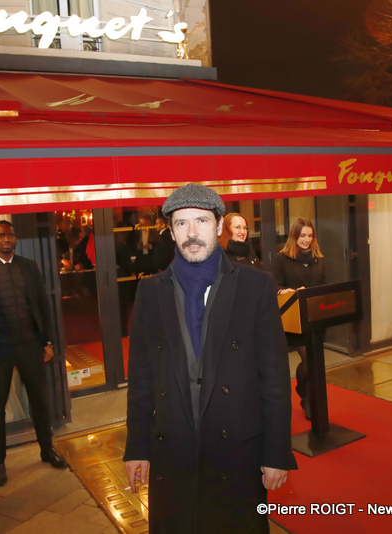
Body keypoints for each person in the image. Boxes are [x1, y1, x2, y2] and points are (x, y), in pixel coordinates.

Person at [123, 183, 297, 533]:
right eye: (182, 223)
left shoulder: (255, 286)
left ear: (219, 226)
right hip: (173, 447)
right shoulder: (150, 292)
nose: (192, 233)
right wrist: (137, 447)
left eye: (201, 221)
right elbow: (141, 378)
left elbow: (275, 377)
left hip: (236, 448)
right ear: (170, 232)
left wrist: (276, 451)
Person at [0, 220, 67, 484]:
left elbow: (41, 304)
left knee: (40, 399)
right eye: (1, 235)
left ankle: (47, 450)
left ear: (15, 239)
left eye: (10, 235)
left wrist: (47, 341)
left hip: (29, 344)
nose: (7, 239)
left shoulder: (29, 266)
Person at [271, 218, 327, 420]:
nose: (306, 239)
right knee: (310, 359)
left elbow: (323, 284)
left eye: (310, 236)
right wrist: (288, 292)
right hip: (294, 320)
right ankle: (307, 398)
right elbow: (274, 286)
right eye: (302, 235)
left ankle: (305, 393)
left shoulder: (319, 258)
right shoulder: (281, 259)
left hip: (315, 318)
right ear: (294, 236)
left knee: (312, 361)